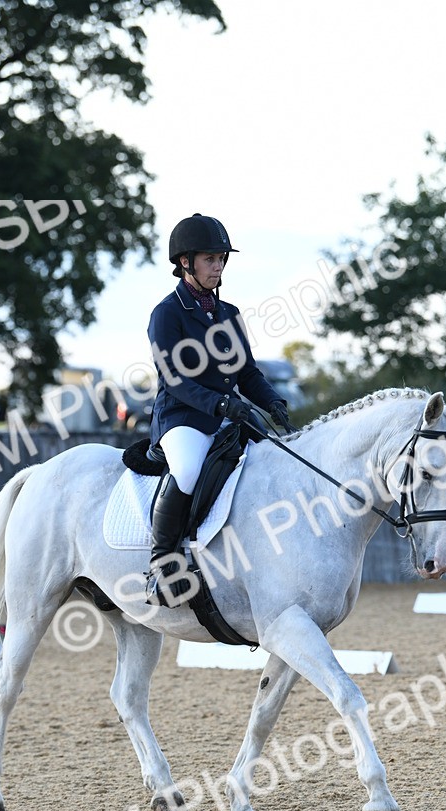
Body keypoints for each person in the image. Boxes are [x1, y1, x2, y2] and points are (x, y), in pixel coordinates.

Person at [145, 213, 293, 605]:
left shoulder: (228, 313)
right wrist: (221, 404)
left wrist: (271, 401)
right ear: (185, 262)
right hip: (183, 418)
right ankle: (162, 562)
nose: (218, 266)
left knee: (274, 460)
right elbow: (175, 377)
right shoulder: (167, 313)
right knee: (189, 468)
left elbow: (246, 371)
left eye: (222, 259)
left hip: (228, 416)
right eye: (210, 259)